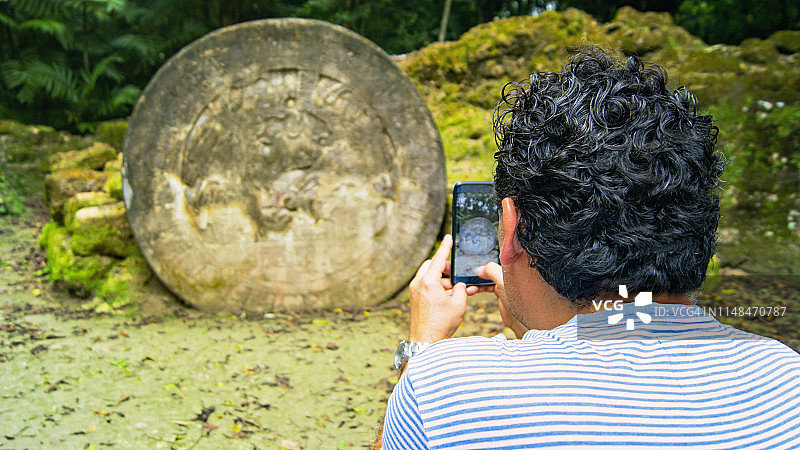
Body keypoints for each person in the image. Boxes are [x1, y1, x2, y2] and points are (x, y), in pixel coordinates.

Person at [375, 47, 800, 449]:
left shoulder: (447, 390)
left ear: (511, 228)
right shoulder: (785, 376)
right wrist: (541, 332)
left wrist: (421, 350)